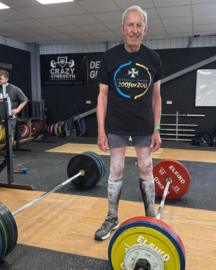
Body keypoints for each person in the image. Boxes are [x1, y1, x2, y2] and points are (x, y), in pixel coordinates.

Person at [94, 5, 162, 241]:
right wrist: (101, 130)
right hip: (116, 123)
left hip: (144, 124)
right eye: (130, 25)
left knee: (146, 167)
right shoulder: (110, 57)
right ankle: (112, 217)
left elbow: (157, 97)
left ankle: (151, 216)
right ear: (123, 29)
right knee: (116, 168)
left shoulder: (154, 58)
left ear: (145, 29)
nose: (135, 30)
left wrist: (157, 129)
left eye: (139, 25)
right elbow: (102, 97)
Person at [0, 69, 28, 149]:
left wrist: (18, 110)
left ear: (6, 79)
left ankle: (9, 153)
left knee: (9, 134)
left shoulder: (14, 89)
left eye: (0, 78)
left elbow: (25, 100)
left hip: (10, 115)